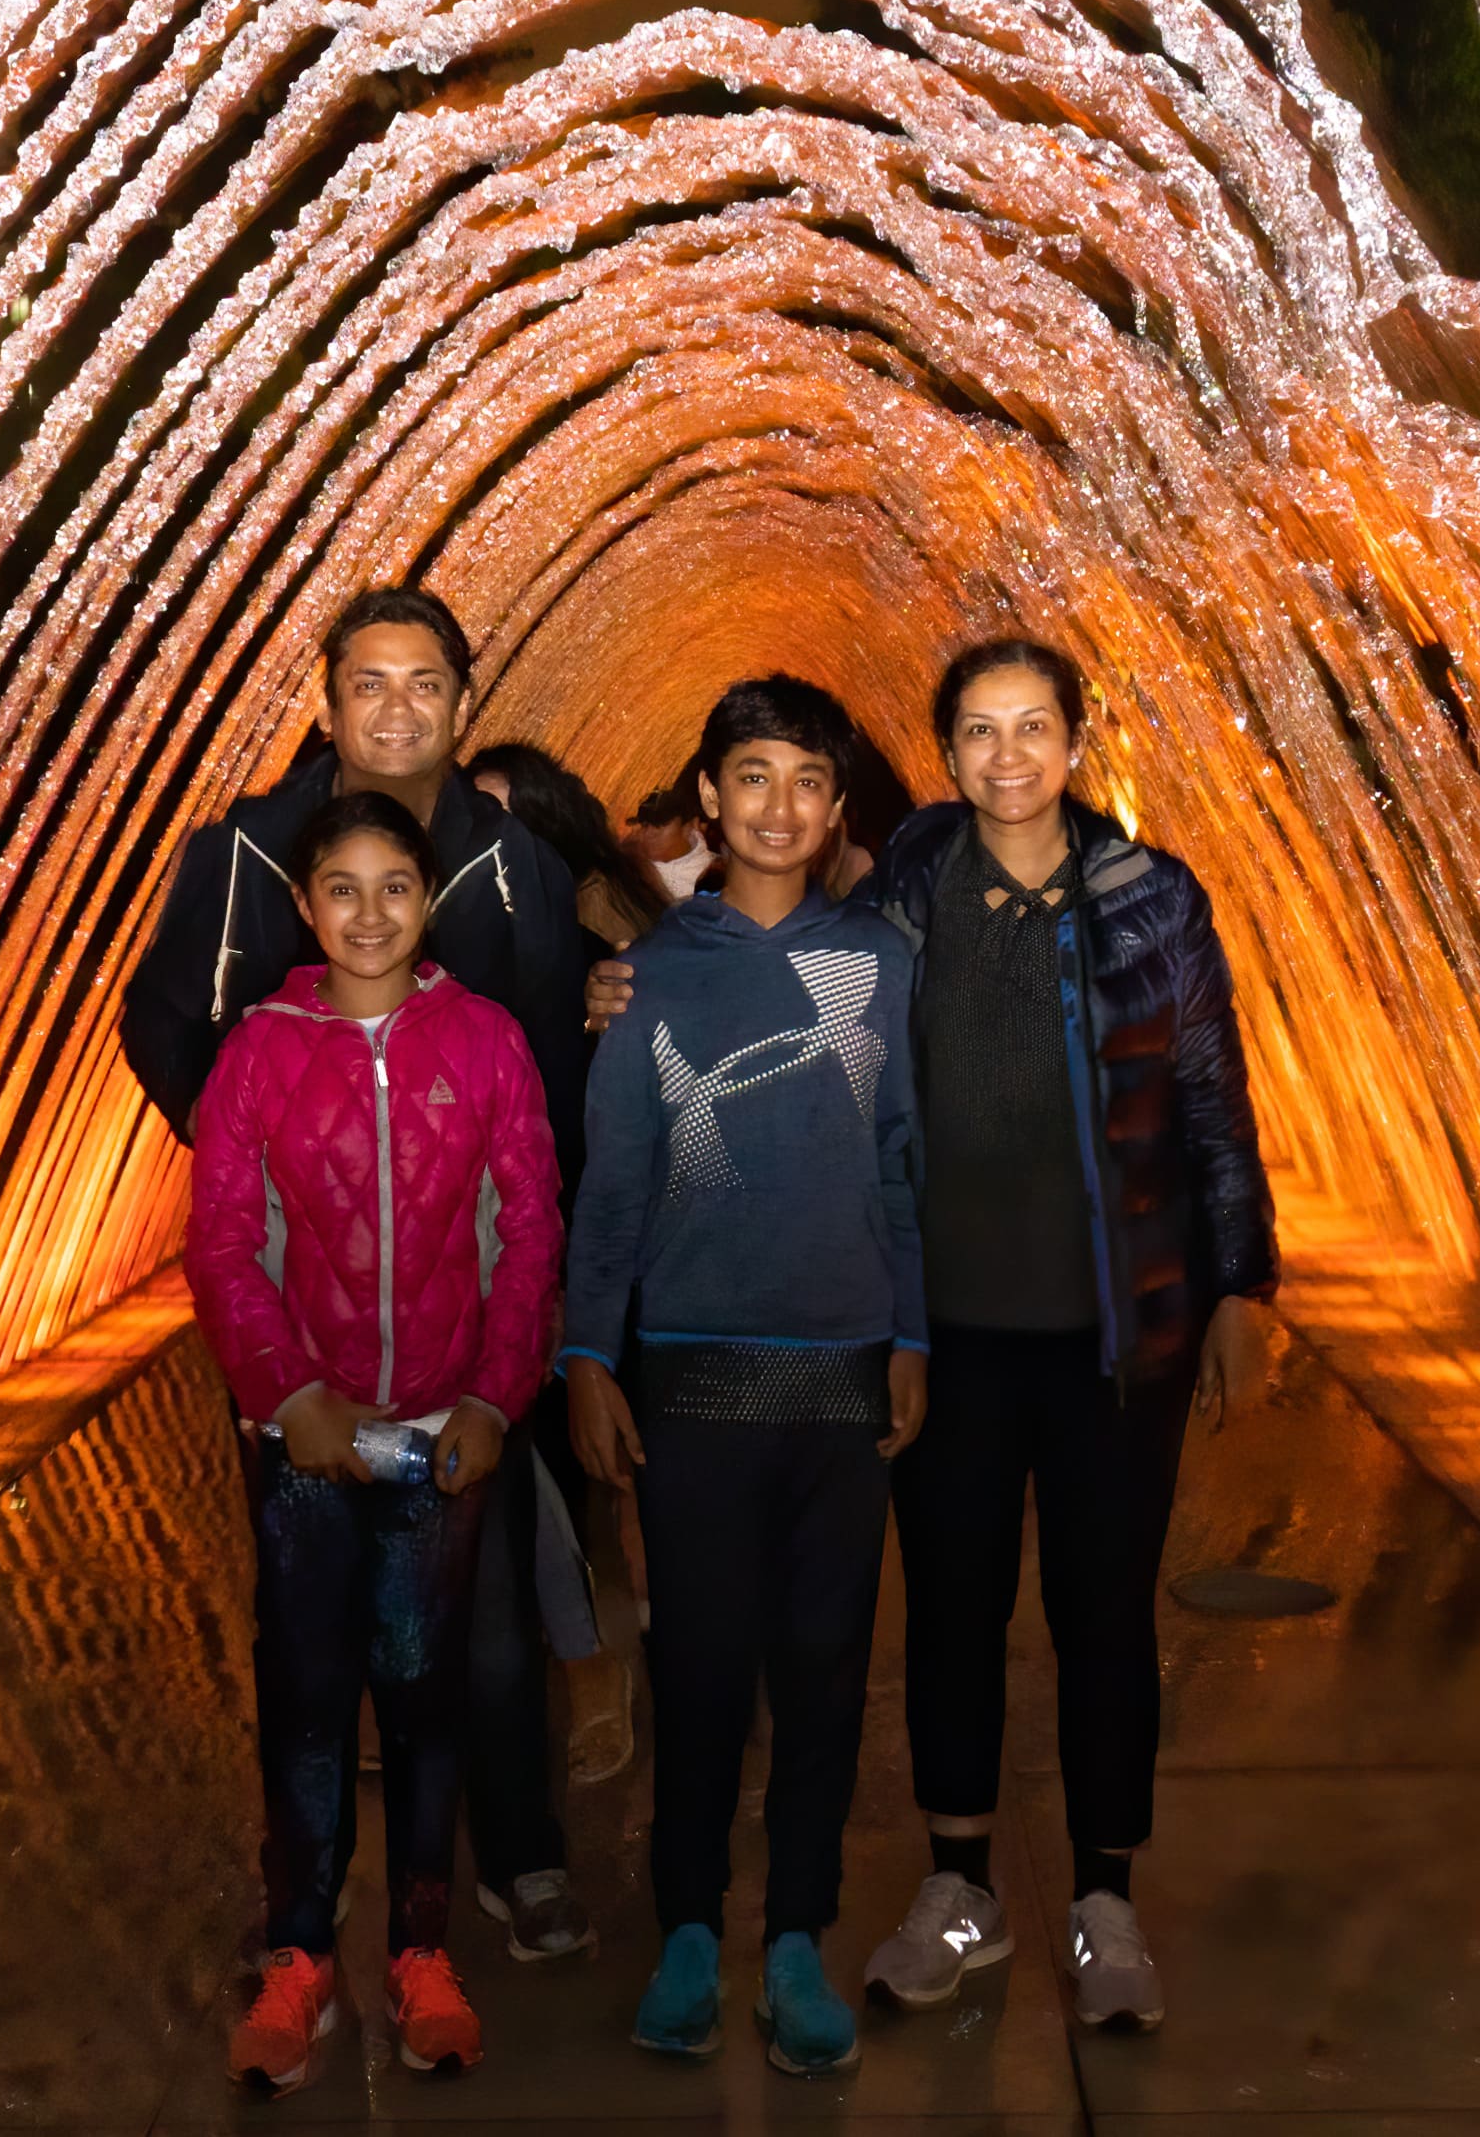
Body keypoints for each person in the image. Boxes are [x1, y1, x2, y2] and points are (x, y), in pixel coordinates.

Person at [119, 586, 603, 1962]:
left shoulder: (514, 869)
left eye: (427, 682)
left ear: (465, 696)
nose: (398, 709)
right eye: (368, 684)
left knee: (490, 1597)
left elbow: (552, 1086)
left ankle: (515, 1858)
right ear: (326, 705)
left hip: (461, 1313)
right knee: (309, 1625)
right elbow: (161, 1022)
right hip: (300, 1317)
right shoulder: (245, 857)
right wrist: (254, 1181)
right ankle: (311, 1901)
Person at [855, 636, 1280, 2037]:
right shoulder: (906, 897)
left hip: (1117, 1338)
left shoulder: (1150, 902)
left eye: (1033, 727)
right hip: (950, 1335)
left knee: (1105, 1616)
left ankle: (1106, 1901)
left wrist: (1242, 1288)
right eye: (978, 731)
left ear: (1077, 742)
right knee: (955, 1613)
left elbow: (1214, 1104)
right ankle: (959, 1885)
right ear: (950, 752)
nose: (1008, 756)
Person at [561, 677, 927, 2080]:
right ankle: (690, 1930)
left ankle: (797, 1937)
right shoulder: (650, 974)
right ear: (707, 796)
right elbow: (616, 1188)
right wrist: (590, 1354)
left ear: (839, 810)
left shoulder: (881, 965)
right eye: (751, 775)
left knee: (826, 1669)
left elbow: (902, 1158)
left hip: (840, 1367)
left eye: (807, 782)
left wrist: (913, 1339)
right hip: (694, 1370)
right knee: (698, 1662)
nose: (778, 805)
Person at [183, 793, 562, 2092]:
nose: (368, 912)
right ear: (304, 905)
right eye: (339, 887)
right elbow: (223, 1244)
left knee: (423, 1697)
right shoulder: (260, 1052)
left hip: (436, 1441)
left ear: (431, 895)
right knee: (301, 1696)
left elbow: (528, 1236)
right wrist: (291, 1397)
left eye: (394, 884)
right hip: (303, 1445)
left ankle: (419, 1948)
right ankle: (300, 1957)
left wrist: (493, 1401)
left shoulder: (489, 1043)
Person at [472, 739, 671, 947]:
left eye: (499, 816)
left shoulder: (590, 906)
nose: (483, 832)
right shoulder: (520, 894)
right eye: (474, 815)